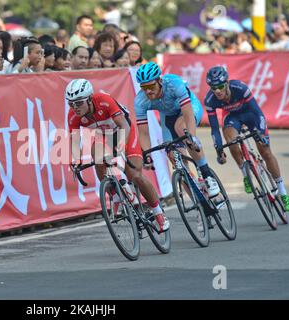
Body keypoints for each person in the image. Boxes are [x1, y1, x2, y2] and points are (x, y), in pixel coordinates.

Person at [66, 78, 170, 232]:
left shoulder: (104, 101)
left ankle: (159, 213)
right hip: (105, 135)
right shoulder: (73, 115)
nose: (75, 107)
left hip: (125, 131)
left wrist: (121, 147)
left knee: (135, 175)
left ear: (89, 99)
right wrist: (75, 161)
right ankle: (115, 194)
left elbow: (124, 125)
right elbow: (75, 140)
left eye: (79, 102)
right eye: (71, 103)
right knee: (98, 156)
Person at [204, 66, 289, 212]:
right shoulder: (210, 100)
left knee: (265, 152)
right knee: (231, 141)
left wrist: (261, 134)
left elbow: (257, 112)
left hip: (251, 114)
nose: (218, 91)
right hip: (232, 117)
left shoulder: (240, 88)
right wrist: (218, 149)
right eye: (213, 88)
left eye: (220, 86)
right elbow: (214, 129)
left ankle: (282, 192)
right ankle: (245, 173)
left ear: (227, 83)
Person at [134, 62, 220, 198]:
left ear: (159, 81)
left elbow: (187, 115)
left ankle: (207, 175)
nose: (148, 91)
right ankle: (200, 203)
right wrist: (147, 155)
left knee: (182, 129)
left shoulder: (174, 83)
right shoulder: (140, 101)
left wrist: (192, 137)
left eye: (151, 86)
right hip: (168, 117)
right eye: (144, 87)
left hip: (189, 109)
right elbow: (144, 133)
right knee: (174, 157)